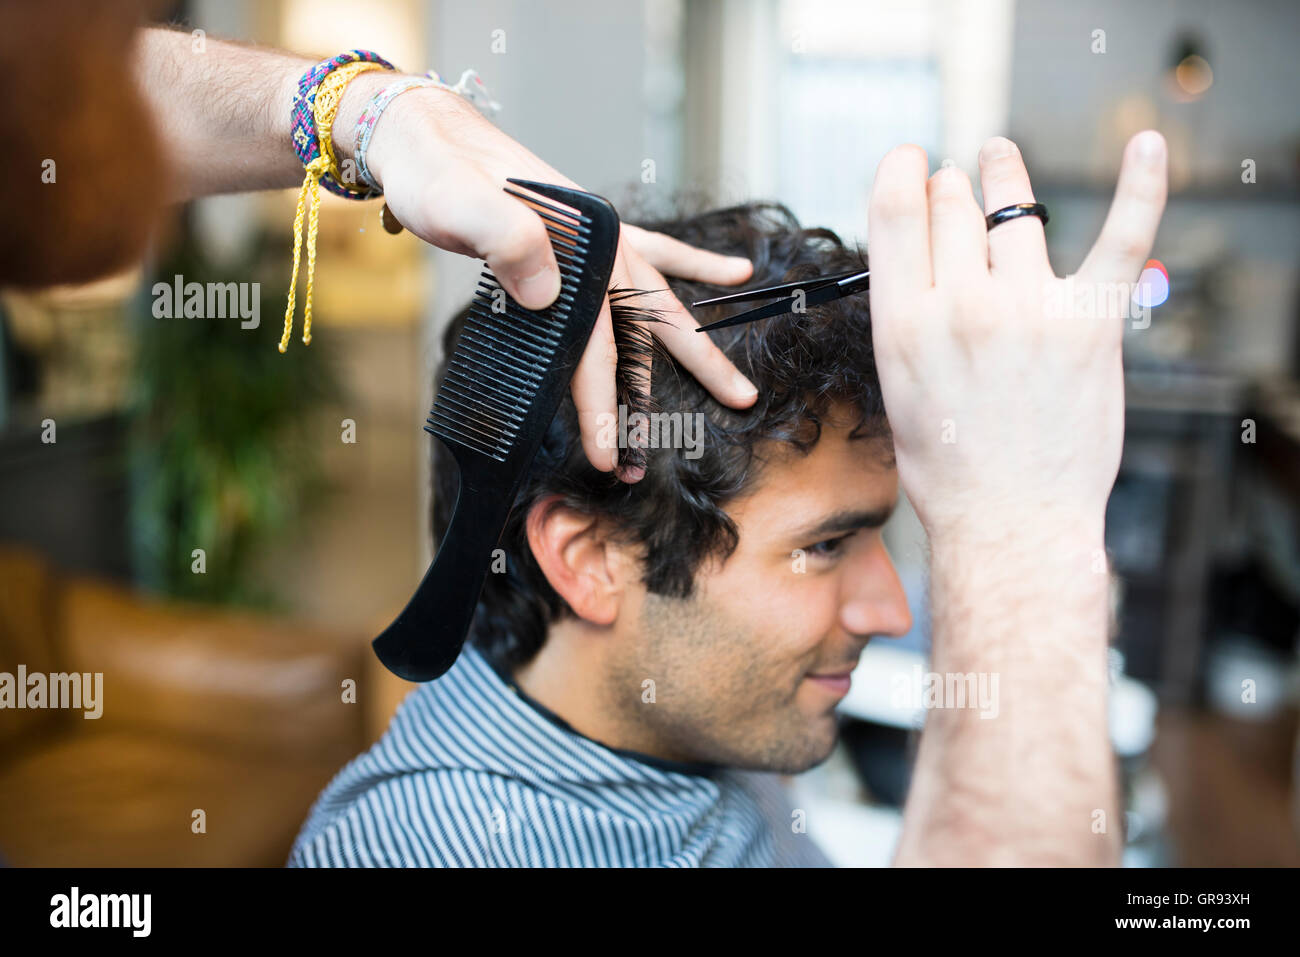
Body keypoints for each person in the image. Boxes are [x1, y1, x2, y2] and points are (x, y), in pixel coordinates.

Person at [290, 115, 1169, 866]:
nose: (892, 613)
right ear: (589, 558)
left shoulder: (693, 734)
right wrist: (1020, 530)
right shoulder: (450, 849)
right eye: (825, 545)